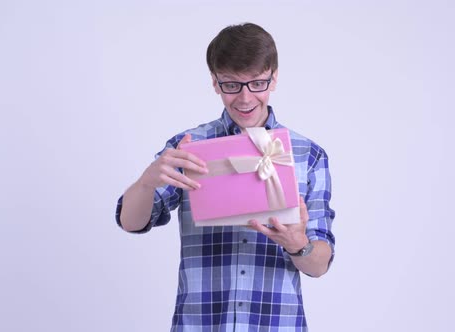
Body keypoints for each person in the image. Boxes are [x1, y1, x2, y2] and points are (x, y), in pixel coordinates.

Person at [116, 22, 335, 331]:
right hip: (201, 323)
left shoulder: (308, 155)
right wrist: (146, 182)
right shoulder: (189, 147)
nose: (245, 99)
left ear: (274, 77)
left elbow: (320, 263)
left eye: (257, 83)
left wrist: (298, 244)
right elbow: (132, 222)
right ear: (215, 83)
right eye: (232, 84)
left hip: (276, 323)